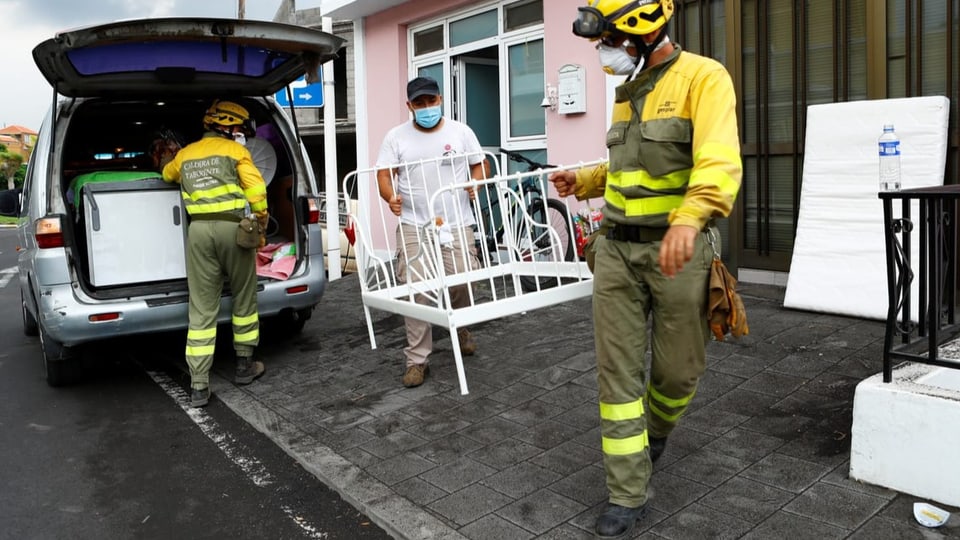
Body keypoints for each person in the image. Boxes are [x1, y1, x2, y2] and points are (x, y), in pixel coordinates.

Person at [550, 1, 743, 537]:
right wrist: (585, 181)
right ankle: (627, 492)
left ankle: (656, 431)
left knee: (679, 372)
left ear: (641, 33)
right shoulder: (626, 91)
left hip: (678, 253)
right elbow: (628, 166)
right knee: (617, 373)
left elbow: (719, 160)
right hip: (615, 252)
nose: (602, 52)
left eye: (607, 40)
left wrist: (688, 220)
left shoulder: (704, 77)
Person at [375, 76, 488, 389]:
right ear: (409, 106)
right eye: (419, 104)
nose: (426, 108)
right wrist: (390, 197)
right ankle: (417, 360)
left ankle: (460, 326)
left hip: (456, 222)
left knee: (464, 278)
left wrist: (474, 183)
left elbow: (479, 165)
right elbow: (384, 174)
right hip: (414, 224)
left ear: (440, 100)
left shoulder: (461, 132)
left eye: (431, 101)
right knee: (417, 290)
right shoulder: (396, 137)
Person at [161, 100, 269, 408]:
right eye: (240, 130)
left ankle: (198, 385)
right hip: (233, 230)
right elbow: (258, 194)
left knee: (202, 306)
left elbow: (167, 174)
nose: (241, 135)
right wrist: (259, 226)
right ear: (229, 128)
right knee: (244, 297)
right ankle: (245, 366)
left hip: (198, 232)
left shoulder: (185, 154)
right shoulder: (236, 152)